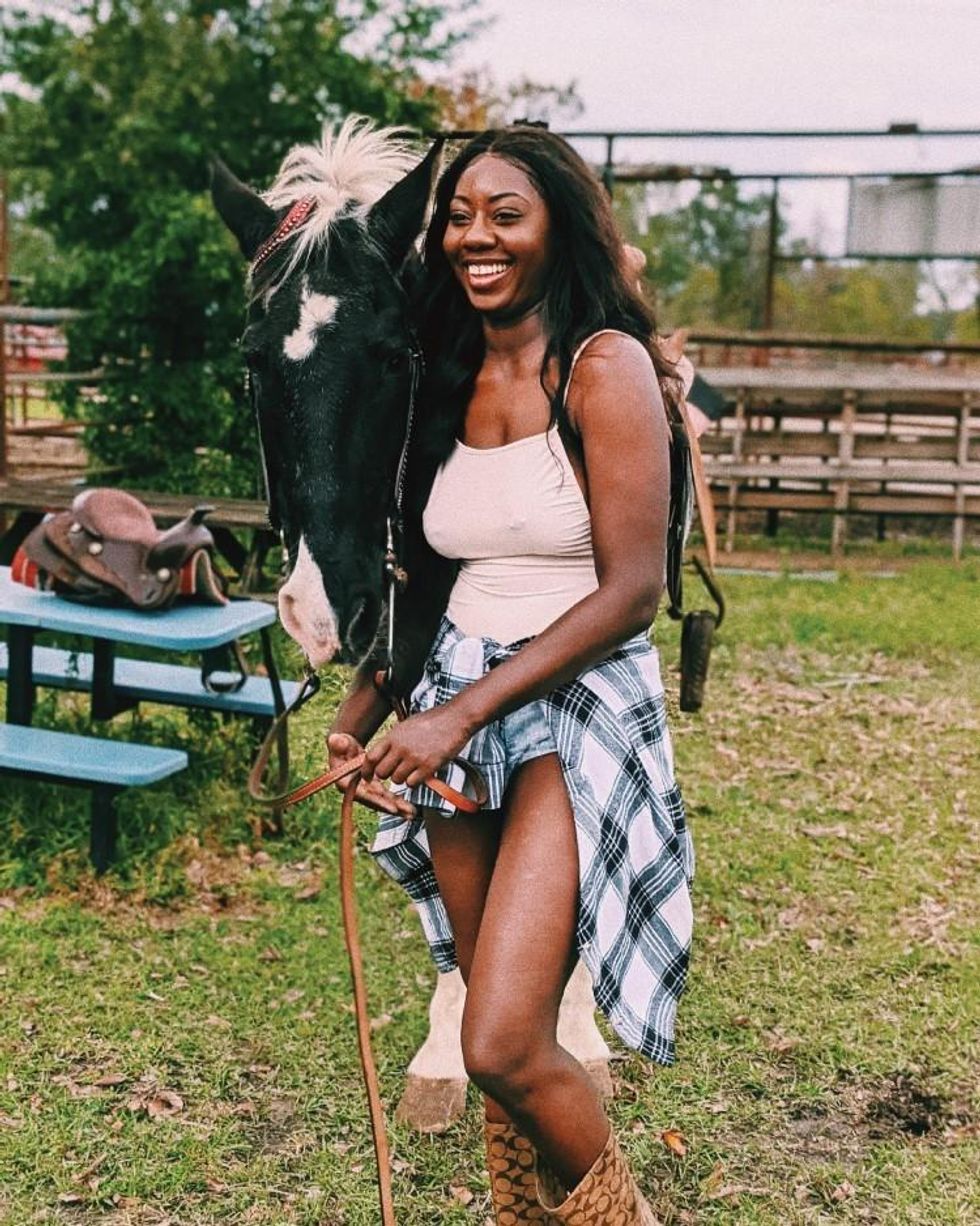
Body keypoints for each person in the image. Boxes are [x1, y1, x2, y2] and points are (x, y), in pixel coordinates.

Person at [327, 127, 694, 1225]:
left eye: (504, 214)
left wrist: (456, 717)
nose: (473, 237)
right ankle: (523, 1213)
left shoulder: (603, 365)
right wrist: (368, 708)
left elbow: (631, 589)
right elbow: (430, 569)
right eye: (458, 216)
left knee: (496, 1039)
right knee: (498, 1027)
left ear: (556, 228)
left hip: (571, 710)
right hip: (454, 694)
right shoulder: (440, 373)